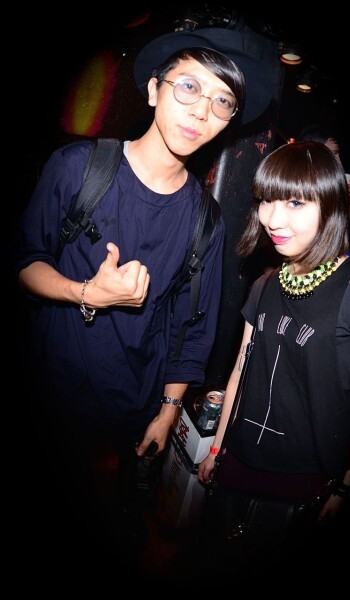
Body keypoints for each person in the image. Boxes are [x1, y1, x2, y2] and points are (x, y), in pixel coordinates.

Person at [14, 26, 274, 563]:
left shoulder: (206, 220)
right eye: (189, 87)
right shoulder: (79, 167)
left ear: (229, 121)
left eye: (222, 101)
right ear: (155, 89)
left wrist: (168, 409)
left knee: (120, 512)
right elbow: (24, 261)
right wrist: (86, 292)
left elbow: (193, 325)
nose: (201, 110)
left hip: (136, 399)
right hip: (56, 385)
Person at [198, 141, 350, 575]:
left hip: (303, 481)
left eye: (295, 203)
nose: (273, 218)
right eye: (266, 200)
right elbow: (239, 372)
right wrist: (216, 448)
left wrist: (345, 488)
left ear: (331, 205)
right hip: (237, 463)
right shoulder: (264, 285)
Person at [296, 124, 350, 216]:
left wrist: (349, 203)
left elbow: (335, 225)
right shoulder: (292, 187)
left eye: (337, 155)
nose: (339, 163)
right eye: (332, 154)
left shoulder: (325, 190)